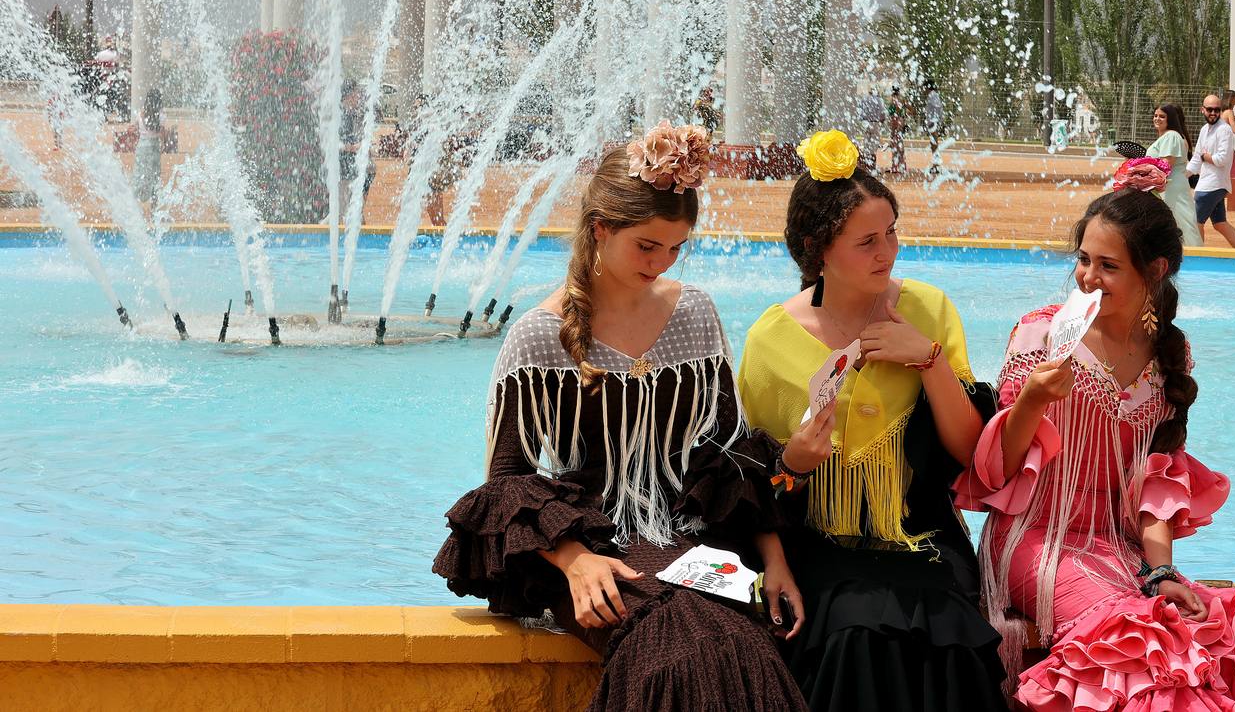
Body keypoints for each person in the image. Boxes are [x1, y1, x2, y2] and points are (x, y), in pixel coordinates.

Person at [432, 122, 810, 712]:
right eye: (646, 245)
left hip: (692, 540)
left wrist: (776, 562)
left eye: (675, 247)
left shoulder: (695, 315)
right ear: (600, 228)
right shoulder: (539, 336)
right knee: (671, 654)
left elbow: (729, 454)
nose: (662, 263)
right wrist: (575, 563)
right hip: (588, 545)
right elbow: (505, 482)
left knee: (741, 646)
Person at [955, 187, 1235, 710]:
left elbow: (1158, 482)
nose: (1087, 278)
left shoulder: (1171, 351)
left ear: (1154, 270)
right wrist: (1030, 402)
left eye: (1107, 265)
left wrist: (1160, 571)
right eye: (1084, 260)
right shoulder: (1039, 334)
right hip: (1035, 542)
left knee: (1206, 633)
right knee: (1139, 644)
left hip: (1124, 550)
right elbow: (997, 472)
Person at [737, 129, 1005, 711]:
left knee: (949, 642)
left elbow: (969, 453)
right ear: (818, 249)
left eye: (891, 234)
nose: (887, 252)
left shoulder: (930, 310)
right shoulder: (770, 340)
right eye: (866, 241)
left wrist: (927, 359)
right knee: (856, 636)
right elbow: (757, 486)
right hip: (822, 544)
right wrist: (795, 464)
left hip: (922, 538)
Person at [1185, 95, 1235, 248]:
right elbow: (1196, 160)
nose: (1213, 113)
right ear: (1202, 110)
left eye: (1216, 110)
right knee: (1220, 224)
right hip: (1209, 183)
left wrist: (1206, 156)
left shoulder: (1224, 130)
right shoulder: (1204, 130)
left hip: (1212, 186)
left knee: (1195, 222)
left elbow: (1222, 159)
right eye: (1209, 109)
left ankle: (1199, 258)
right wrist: (1182, 175)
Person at [1145, 104, 1201, 246]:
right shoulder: (1168, 136)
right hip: (1166, 185)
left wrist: (1140, 171)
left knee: (1180, 221)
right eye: (1156, 115)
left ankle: (1192, 256)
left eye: (1162, 116)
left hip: (1169, 186)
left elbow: (1165, 164)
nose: (1157, 118)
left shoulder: (1171, 136)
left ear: (1170, 119)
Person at [338, 79, 375, 221]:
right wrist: (355, 147)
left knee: (353, 212)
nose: (359, 97)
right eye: (356, 93)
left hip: (351, 170)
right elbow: (333, 143)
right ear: (349, 95)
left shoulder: (349, 114)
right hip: (344, 171)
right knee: (344, 212)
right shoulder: (340, 115)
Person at [133, 88, 163, 209]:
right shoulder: (161, 115)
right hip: (154, 147)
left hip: (141, 147)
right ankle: (154, 209)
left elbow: (136, 129)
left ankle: (134, 204)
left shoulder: (140, 113)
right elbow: (162, 134)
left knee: (139, 174)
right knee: (155, 176)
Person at [884, 85, 908, 175]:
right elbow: (904, 114)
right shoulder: (902, 100)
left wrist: (893, 130)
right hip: (901, 125)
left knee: (895, 147)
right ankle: (903, 166)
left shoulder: (894, 101)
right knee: (900, 147)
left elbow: (894, 117)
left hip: (896, 124)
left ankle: (895, 167)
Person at [922, 80, 944, 176]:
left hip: (933, 123)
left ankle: (936, 165)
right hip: (932, 122)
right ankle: (936, 165)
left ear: (928, 87)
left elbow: (938, 107)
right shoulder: (933, 95)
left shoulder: (932, 95)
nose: (924, 90)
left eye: (925, 87)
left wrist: (934, 121)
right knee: (933, 145)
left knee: (934, 145)